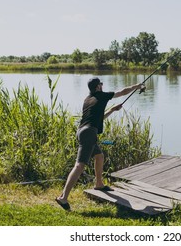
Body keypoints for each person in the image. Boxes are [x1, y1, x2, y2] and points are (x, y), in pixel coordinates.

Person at [55, 77, 145, 211]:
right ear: (97, 87)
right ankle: (63, 198)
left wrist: (112, 110)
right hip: (89, 133)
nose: (102, 86)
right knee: (79, 165)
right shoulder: (101, 95)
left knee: (99, 156)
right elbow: (122, 92)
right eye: (101, 84)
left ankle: (99, 184)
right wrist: (136, 86)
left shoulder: (88, 99)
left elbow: (97, 118)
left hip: (82, 131)